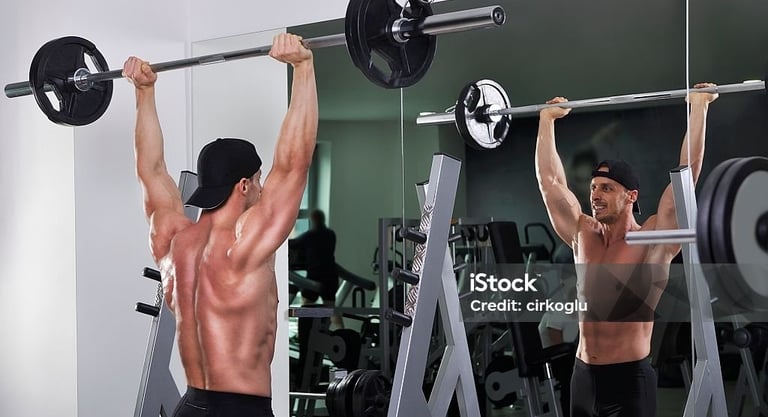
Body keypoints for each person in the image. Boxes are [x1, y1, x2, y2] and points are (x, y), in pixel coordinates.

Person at [123, 33, 317, 417]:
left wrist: (144, 93)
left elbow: (151, 171)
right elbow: (294, 163)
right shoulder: (247, 245)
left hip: (191, 406)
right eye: (259, 180)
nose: (262, 187)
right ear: (243, 185)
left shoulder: (173, 240)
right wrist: (304, 68)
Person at [534, 84, 718, 417]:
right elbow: (550, 183)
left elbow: (686, 177)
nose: (595, 195)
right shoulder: (583, 235)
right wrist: (547, 120)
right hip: (583, 376)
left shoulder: (652, 240)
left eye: (606, 188)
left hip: (629, 379)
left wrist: (699, 107)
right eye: (593, 187)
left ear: (631, 196)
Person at [290, 209, 343, 328]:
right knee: (331, 309)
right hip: (330, 277)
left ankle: (304, 335)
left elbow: (293, 243)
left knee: (306, 305)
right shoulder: (331, 234)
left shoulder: (310, 235)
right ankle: (341, 333)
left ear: (313, 220)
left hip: (315, 276)